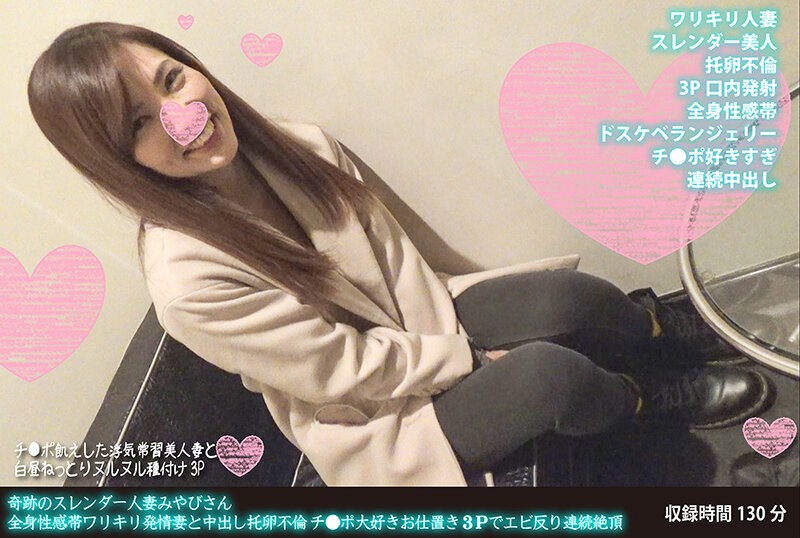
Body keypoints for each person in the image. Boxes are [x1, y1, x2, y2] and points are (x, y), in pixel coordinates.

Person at [27, 22, 773, 486]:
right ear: (116, 159)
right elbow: (338, 370)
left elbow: (397, 259)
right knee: (549, 376)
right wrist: (467, 362)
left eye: (172, 79)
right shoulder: (187, 283)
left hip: (423, 319)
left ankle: (658, 334)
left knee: (572, 298)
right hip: (369, 414)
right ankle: (638, 402)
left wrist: (460, 332)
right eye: (139, 123)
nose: (181, 116)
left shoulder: (297, 148)